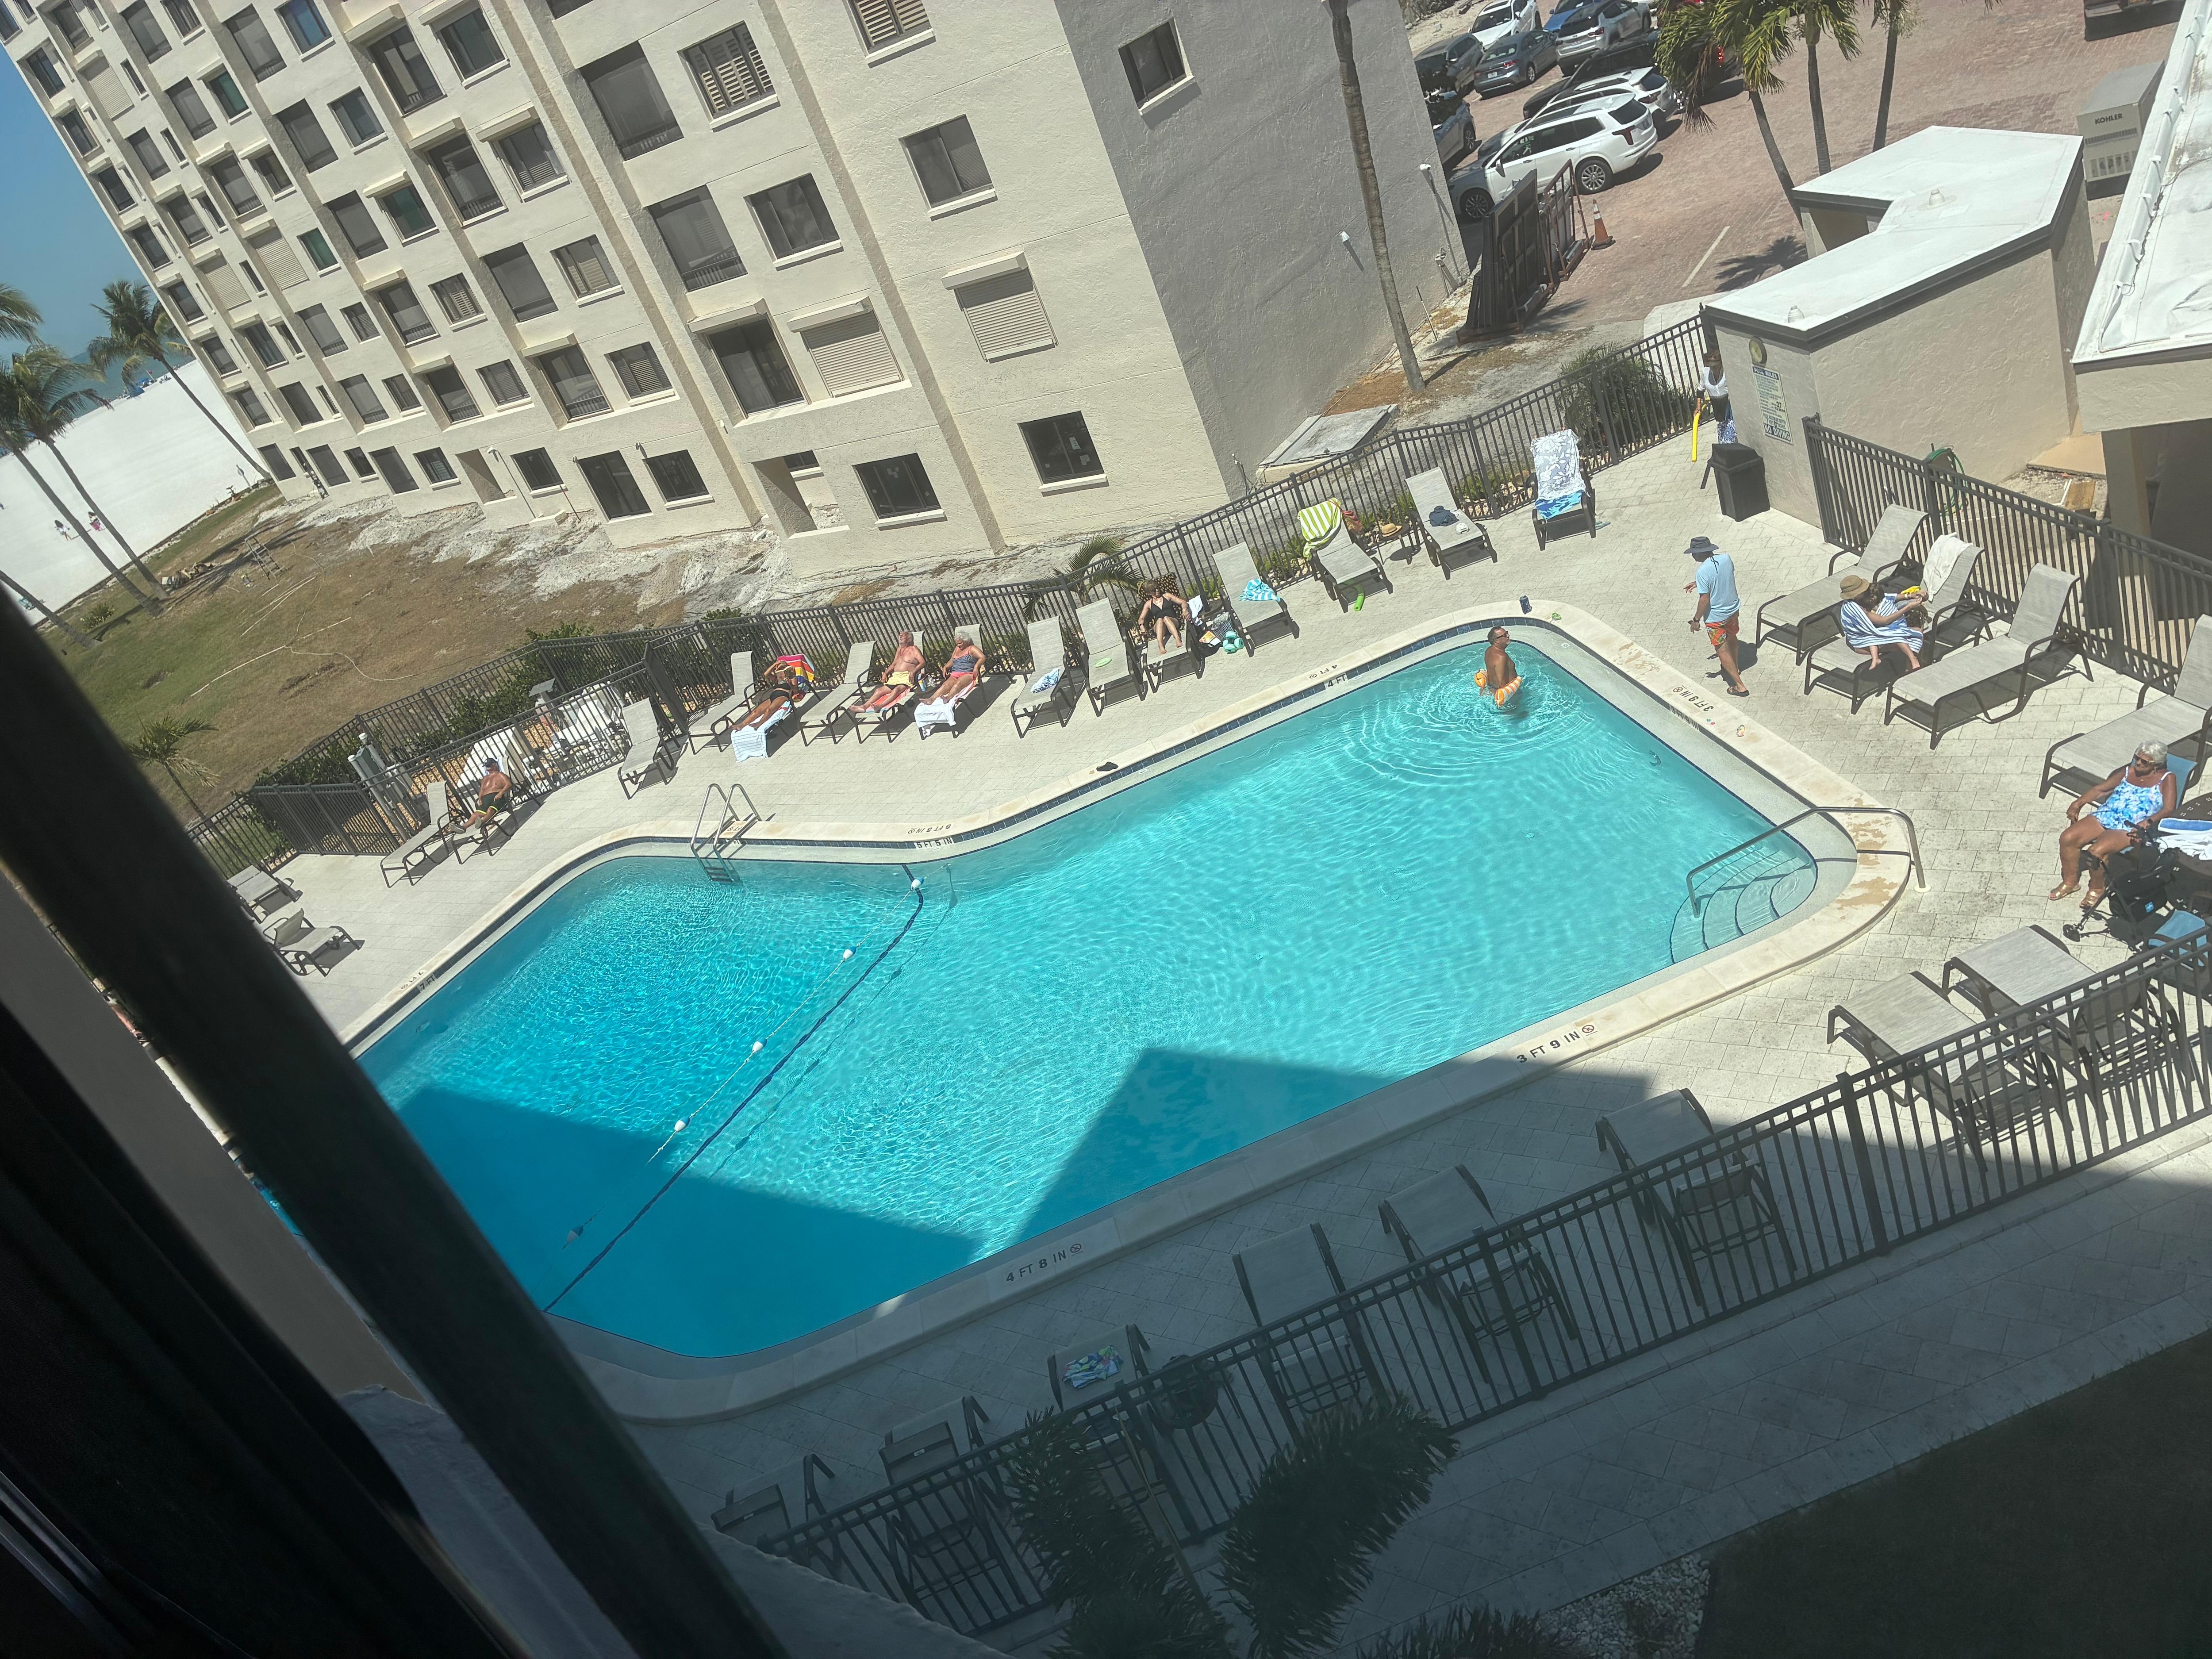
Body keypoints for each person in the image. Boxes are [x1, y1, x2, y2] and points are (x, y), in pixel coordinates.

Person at [2054, 742, 2176, 908]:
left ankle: (2097, 889)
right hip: (2106, 815)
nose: (2139, 763)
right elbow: (2101, 790)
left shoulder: (2167, 779)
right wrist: (2078, 803)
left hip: (2130, 826)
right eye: (2137, 758)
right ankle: (2070, 882)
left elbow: (2169, 808)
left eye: (2145, 762)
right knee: (2068, 838)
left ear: (2157, 764)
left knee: (2096, 852)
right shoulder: (2128, 772)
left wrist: (2147, 822)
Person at [1684, 536, 1749, 697]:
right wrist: (1699, 583)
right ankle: (1735, 667)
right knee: (1732, 637)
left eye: (1694, 553)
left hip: (1716, 618)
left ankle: (1740, 686)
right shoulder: (1726, 559)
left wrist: (1696, 620)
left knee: (1721, 649)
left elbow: (1704, 599)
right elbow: (1722, 576)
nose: (1693, 556)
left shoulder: (1702, 572)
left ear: (1699, 554)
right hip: (1733, 610)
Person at [1834, 574, 1924, 672]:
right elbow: (1885, 621)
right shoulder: (1857, 609)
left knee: (1914, 632)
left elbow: (1888, 597)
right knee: (1908, 637)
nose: (1866, 590)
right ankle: (1911, 667)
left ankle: (1912, 665)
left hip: (1868, 635)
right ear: (1856, 595)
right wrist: (1909, 607)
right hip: (1861, 643)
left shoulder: (1861, 599)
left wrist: (1910, 595)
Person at [857, 632, 925, 713]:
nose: (900, 636)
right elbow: (894, 664)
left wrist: (913, 672)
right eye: (900, 635)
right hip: (895, 678)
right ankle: (864, 707)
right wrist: (886, 673)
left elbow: (923, 662)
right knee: (879, 691)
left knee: (896, 691)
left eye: (904, 636)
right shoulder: (899, 650)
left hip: (906, 678)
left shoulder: (914, 649)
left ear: (909, 640)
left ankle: (880, 706)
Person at [1474, 626, 1522, 706]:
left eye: (1507, 633)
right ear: (1496, 641)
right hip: (1508, 698)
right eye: (1504, 635)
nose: (1508, 636)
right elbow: (1502, 684)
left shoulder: (1489, 651)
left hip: (1491, 688)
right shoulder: (1501, 657)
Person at [463, 763, 514, 834]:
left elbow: (509, 784)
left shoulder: (500, 775)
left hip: (497, 798)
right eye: (487, 765)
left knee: (490, 810)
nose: (488, 766)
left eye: (489, 765)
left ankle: (482, 822)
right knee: (475, 815)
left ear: (495, 765)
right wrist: (480, 798)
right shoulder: (485, 778)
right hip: (485, 800)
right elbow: (482, 790)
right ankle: (463, 828)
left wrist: (501, 793)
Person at [1697, 350, 1736, 445]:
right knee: (1724, 440)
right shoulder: (1705, 372)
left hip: (1730, 409)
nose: (1713, 367)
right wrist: (1698, 407)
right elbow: (1700, 390)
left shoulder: (1727, 371)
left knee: (1730, 440)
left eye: (1715, 365)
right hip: (1718, 409)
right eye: (1710, 364)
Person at [1138, 582, 1188, 653]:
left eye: (1158, 588)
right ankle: (1161, 645)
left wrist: (1185, 610)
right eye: (1154, 590)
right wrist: (1142, 626)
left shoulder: (1167, 596)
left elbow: (1183, 602)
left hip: (1173, 622)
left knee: (1166, 618)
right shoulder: (1149, 603)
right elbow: (1141, 618)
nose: (1157, 591)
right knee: (1160, 620)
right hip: (1161, 627)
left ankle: (1177, 639)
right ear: (1149, 593)